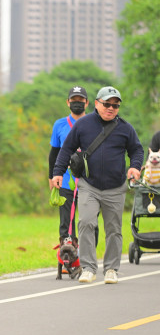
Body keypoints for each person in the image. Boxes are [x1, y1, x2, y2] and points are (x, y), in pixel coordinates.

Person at [52, 86, 144, 284]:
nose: (111, 108)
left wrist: (135, 167)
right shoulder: (83, 124)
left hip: (115, 187)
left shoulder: (126, 128)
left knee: (113, 229)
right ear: (96, 103)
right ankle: (88, 268)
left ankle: (111, 269)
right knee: (86, 223)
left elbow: (137, 150)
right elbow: (66, 148)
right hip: (89, 185)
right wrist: (57, 172)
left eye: (115, 106)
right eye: (107, 104)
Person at [48, 86, 99, 246]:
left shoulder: (95, 123)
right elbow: (54, 153)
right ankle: (68, 254)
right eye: (74, 100)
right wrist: (51, 177)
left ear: (87, 102)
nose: (77, 103)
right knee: (66, 221)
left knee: (90, 220)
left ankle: (88, 253)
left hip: (89, 181)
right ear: (68, 102)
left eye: (80, 100)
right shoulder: (59, 124)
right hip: (65, 180)